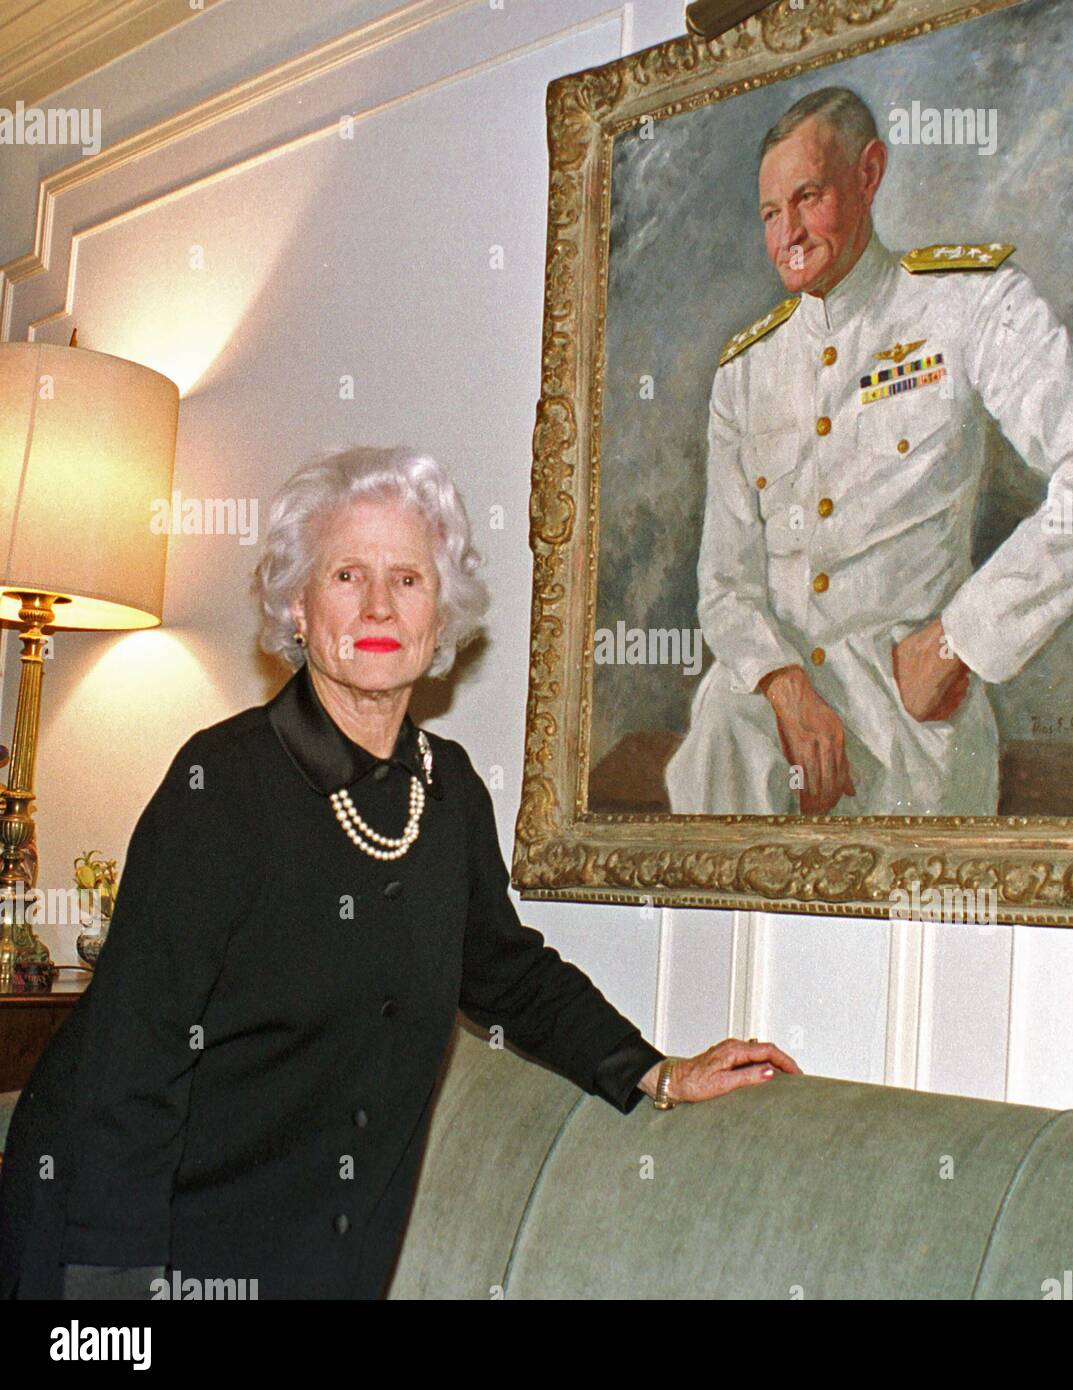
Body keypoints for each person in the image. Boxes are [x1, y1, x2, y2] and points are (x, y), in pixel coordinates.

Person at [0, 446, 800, 1300]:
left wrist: (658, 1072)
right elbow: (132, 1057)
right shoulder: (222, 786)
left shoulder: (447, 788)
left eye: (409, 580)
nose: (379, 604)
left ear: (440, 616)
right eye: (346, 574)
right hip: (126, 1238)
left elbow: (506, 970)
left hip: (314, 1249)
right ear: (298, 608)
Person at [664, 86, 1073, 816]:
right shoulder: (744, 372)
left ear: (869, 174)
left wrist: (959, 641)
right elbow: (724, 586)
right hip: (757, 724)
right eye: (769, 213)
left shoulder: (971, 305)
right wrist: (782, 685)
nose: (788, 233)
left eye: (807, 198)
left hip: (906, 733)